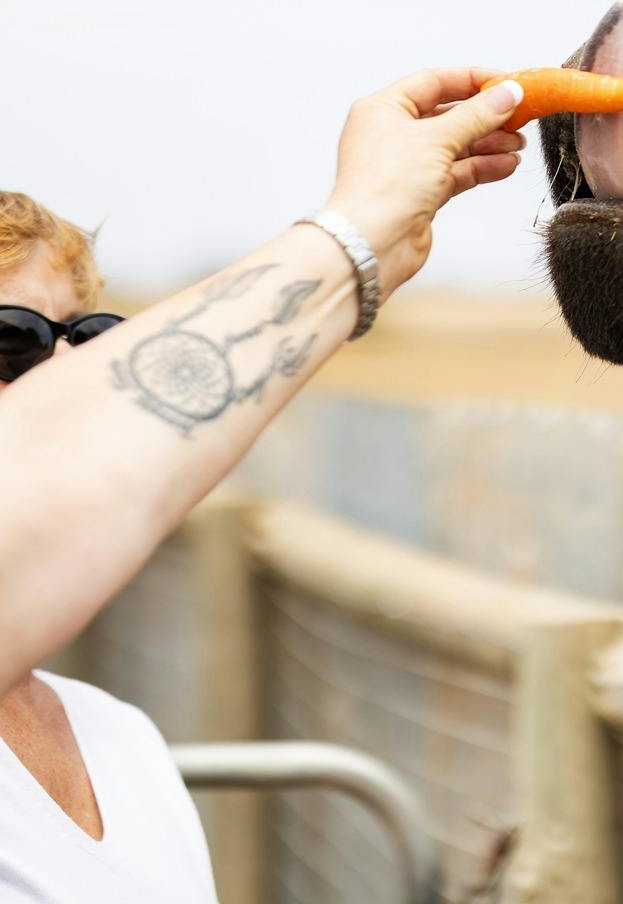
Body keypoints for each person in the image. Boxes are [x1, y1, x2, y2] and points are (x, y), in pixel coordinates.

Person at [0, 67, 525, 901]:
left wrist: (377, 245)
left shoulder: (120, 742)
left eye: (92, 341)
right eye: (10, 341)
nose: (64, 372)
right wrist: (359, 230)